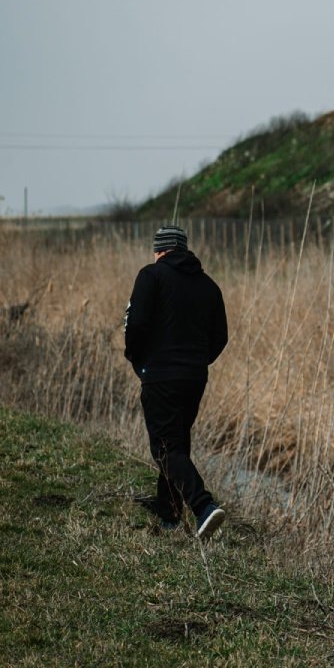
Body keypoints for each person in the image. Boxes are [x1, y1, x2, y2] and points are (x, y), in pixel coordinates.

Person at [124, 224, 229, 539]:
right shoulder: (209, 286)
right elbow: (220, 337)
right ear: (184, 249)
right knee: (177, 443)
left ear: (160, 250)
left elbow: (136, 324)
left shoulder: (151, 276)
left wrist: (138, 361)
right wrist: (197, 360)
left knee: (165, 448)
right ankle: (168, 514)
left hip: (160, 374)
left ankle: (203, 507)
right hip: (195, 377)